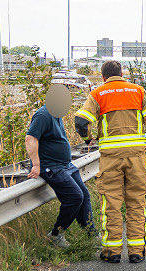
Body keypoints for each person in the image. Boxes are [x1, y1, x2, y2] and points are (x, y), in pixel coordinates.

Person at [75, 60, 146, 264]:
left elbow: (80, 121)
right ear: (122, 73)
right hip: (137, 157)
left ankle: (112, 252)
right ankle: (137, 251)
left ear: (103, 76)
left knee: (112, 205)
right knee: (136, 203)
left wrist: (88, 139)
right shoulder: (138, 91)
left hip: (110, 158)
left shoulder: (98, 94)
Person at [26, 84, 95, 248]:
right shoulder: (43, 115)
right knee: (74, 197)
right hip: (51, 166)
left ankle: (91, 234)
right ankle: (56, 234)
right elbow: (30, 138)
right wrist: (36, 165)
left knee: (84, 195)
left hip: (65, 165)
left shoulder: (55, 114)